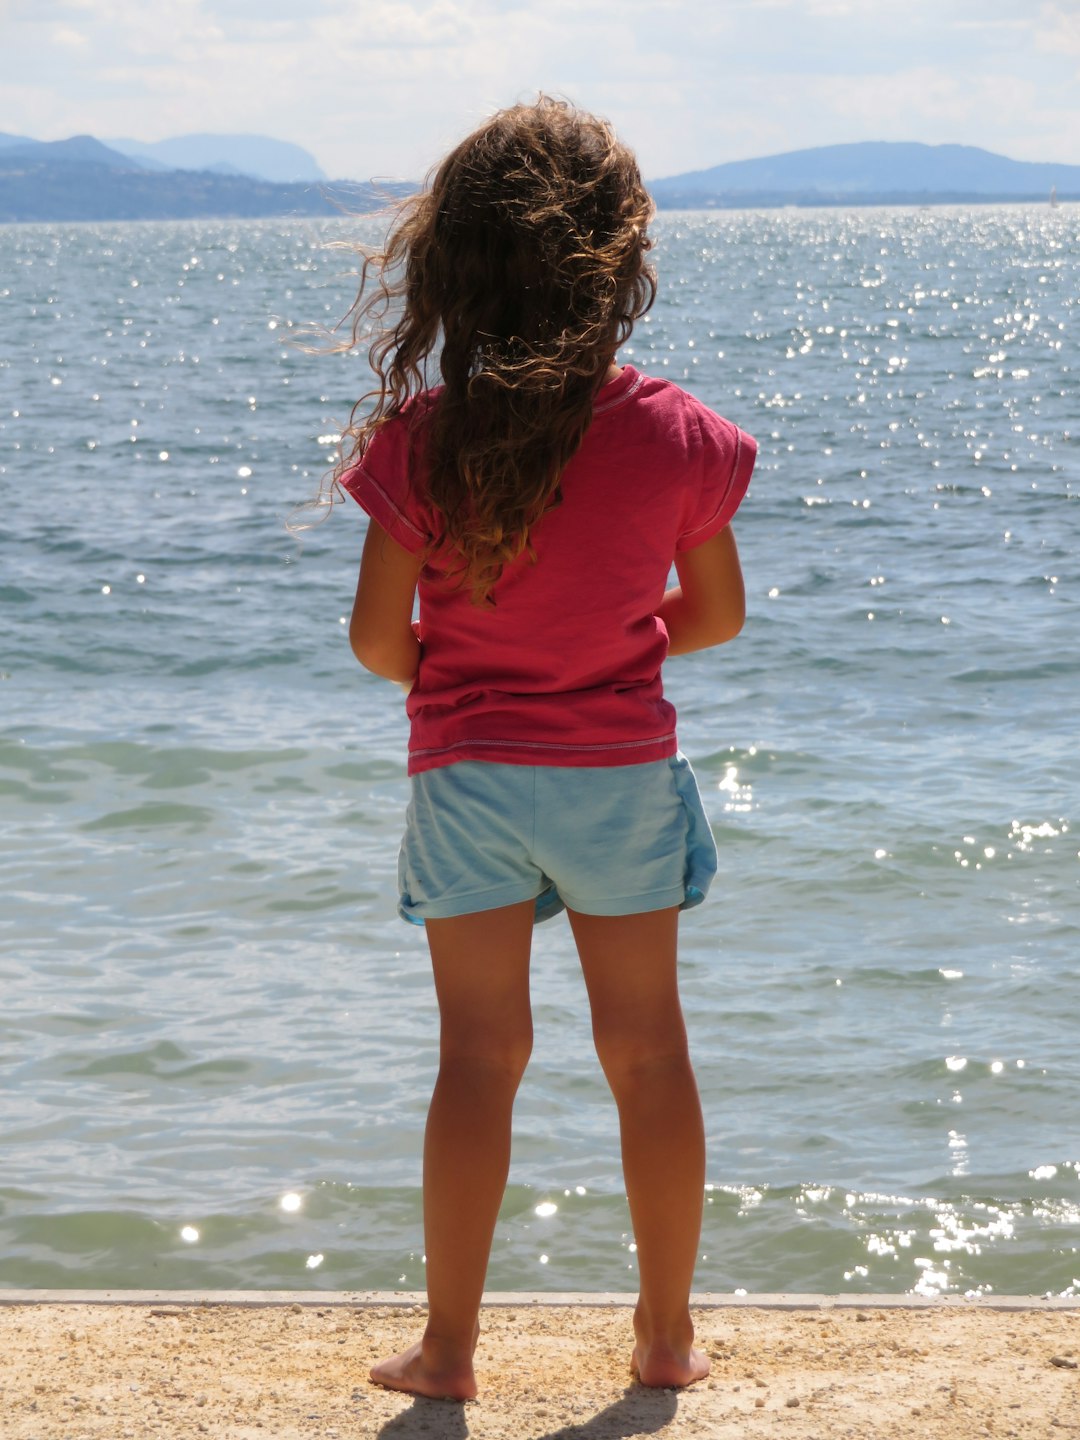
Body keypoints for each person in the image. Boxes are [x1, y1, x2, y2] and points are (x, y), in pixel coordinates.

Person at [333, 96, 755, 1400]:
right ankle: (668, 1334)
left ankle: (450, 1349)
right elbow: (721, 616)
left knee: (476, 1057)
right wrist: (614, 657)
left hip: (464, 775)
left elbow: (373, 640)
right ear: (619, 264)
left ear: (452, 266)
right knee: (648, 1050)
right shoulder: (676, 434)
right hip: (617, 771)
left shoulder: (421, 441)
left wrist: (466, 674)